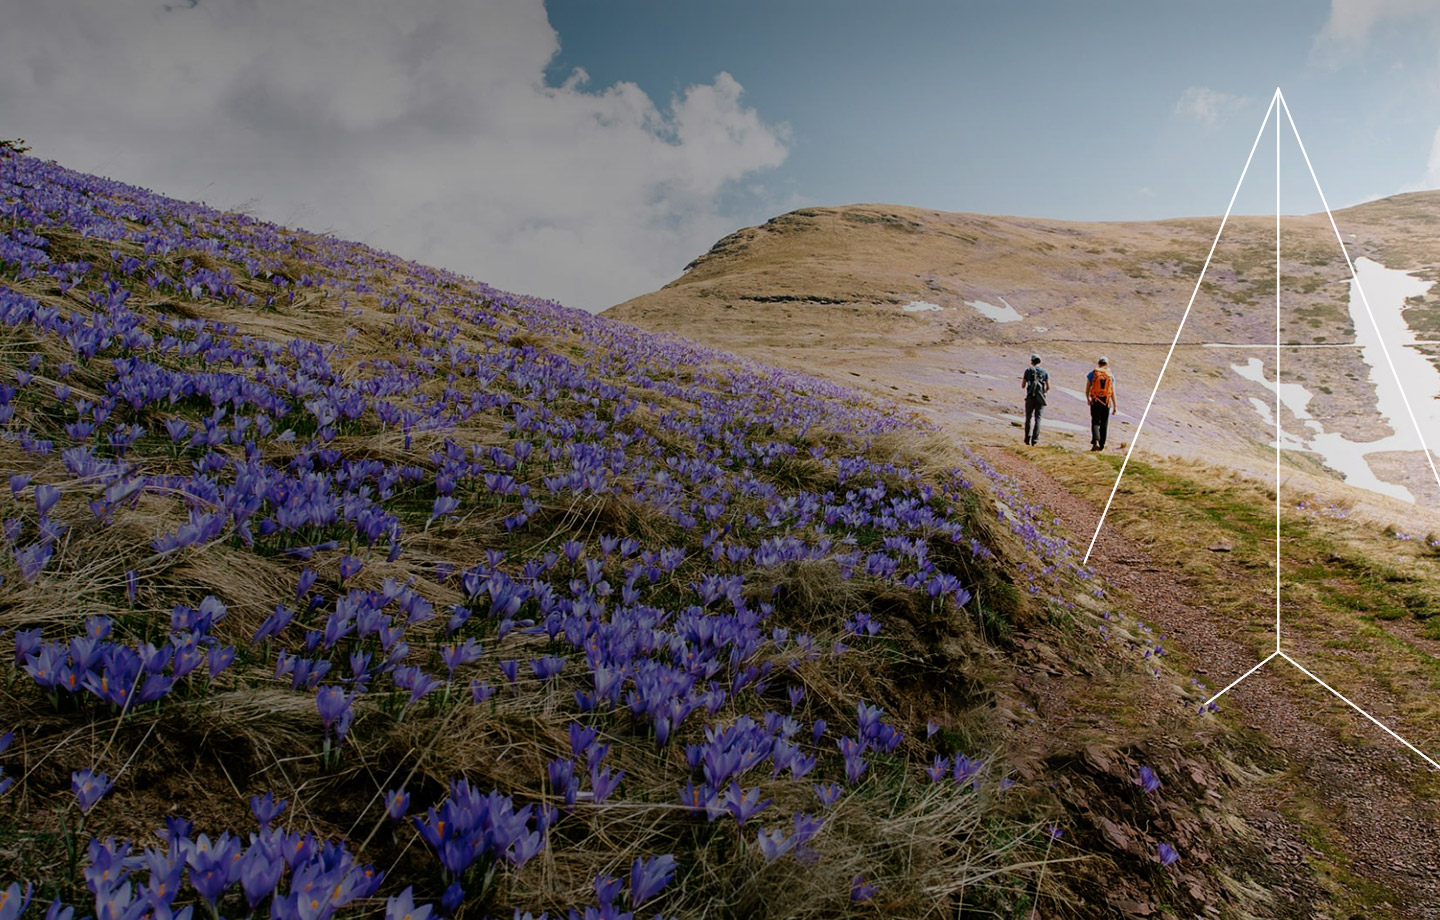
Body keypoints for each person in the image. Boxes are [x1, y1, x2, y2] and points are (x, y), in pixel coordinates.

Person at [1086, 356, 1118, 451]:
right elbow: (1112, 392)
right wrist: (1115, 406)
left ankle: (1095, 441)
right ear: (1107, 364)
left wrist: (1088, 399)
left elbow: (1087, 390)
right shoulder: (1110, 376)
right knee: (1104, 424)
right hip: (1106, 402)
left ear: (1098, 363)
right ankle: (1102, 445)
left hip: (1095, 401)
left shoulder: (1093, 374)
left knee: (1095, 421)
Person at [1021, 353, 1049, 446]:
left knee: (1028, 418)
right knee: (1038, 418)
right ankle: (1035, 439)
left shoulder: (1028, 370)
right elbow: (1048, 387)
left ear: (1032, 362)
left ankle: (1027, 438)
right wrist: (1043, 392)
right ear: (1040, 361)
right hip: (1040, 398)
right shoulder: (1045, 372)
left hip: (1030, 397)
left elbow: (1023, 385)